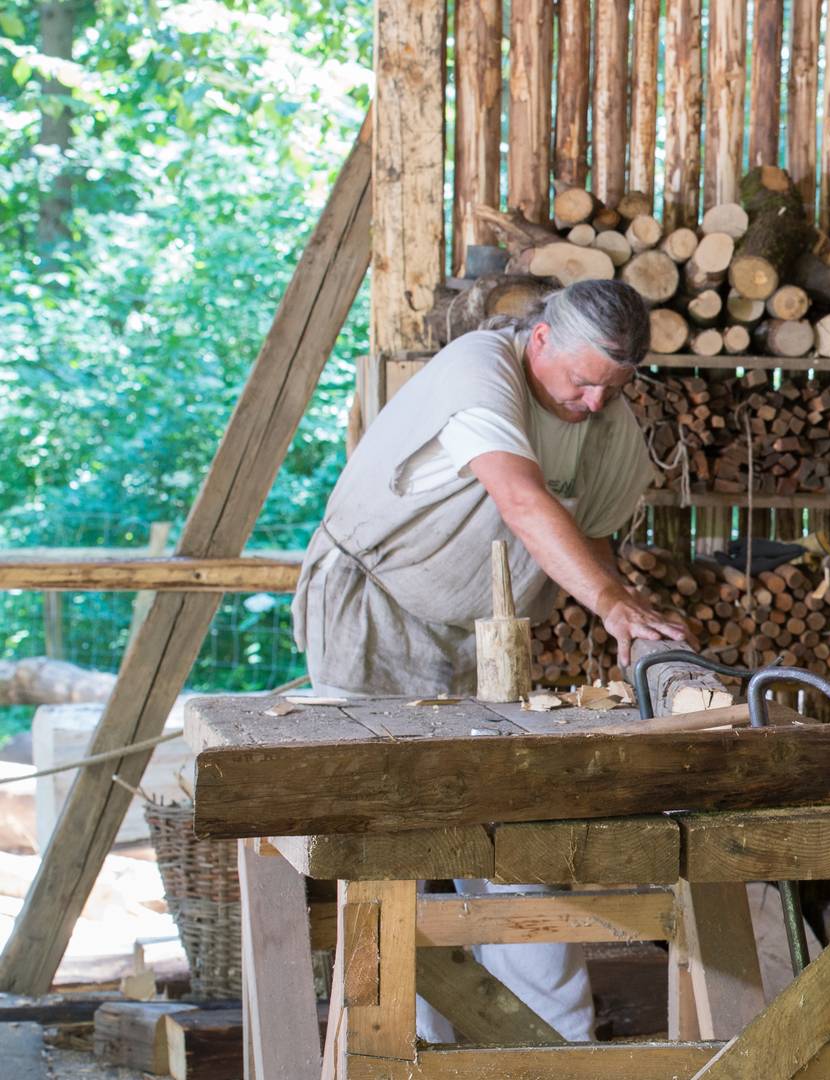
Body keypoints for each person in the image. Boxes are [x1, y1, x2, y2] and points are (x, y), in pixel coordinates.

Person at [292, 278, 689, 1043]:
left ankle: (556, 1047)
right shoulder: (480, 366)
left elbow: (596, 535)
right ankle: (408, 1048)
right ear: (540, 341)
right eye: (581, 380)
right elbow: (520, 498)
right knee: (388, 846)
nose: (594, 402)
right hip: (371, 610)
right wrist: (609, 601)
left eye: (613, 388)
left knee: (511, 840)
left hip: (487, 636)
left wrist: (627, 621)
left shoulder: (610, 425)